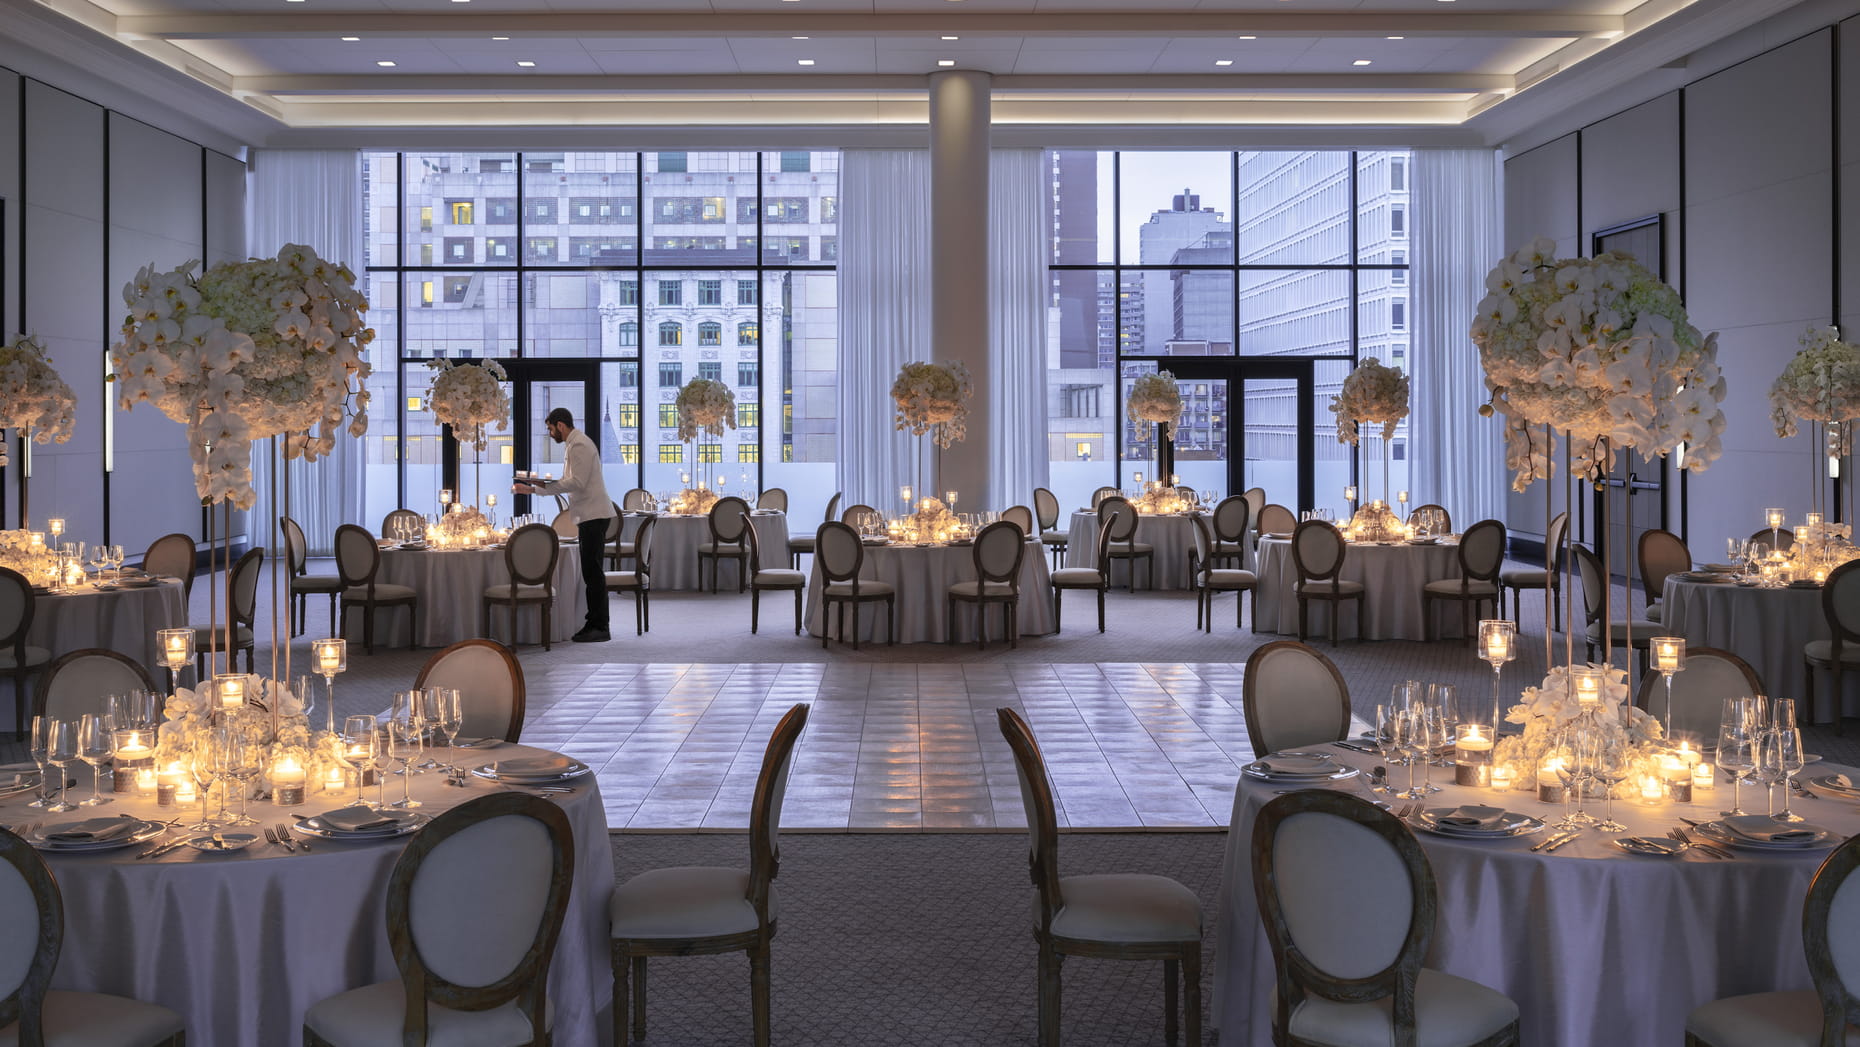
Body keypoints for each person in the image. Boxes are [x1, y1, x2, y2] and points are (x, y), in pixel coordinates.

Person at [512, 407, 613, 643]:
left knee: (593, 574)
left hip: (593, 515)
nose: (550, 433)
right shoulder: (573, 444)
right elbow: (570, 481)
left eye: (550, 428)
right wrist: (539, 484)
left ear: (560, 425)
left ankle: (599, 626)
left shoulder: (579, 445)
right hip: (589, 514)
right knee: (592, 572)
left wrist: (535, 489)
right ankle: (594, 623)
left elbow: (577, 483)